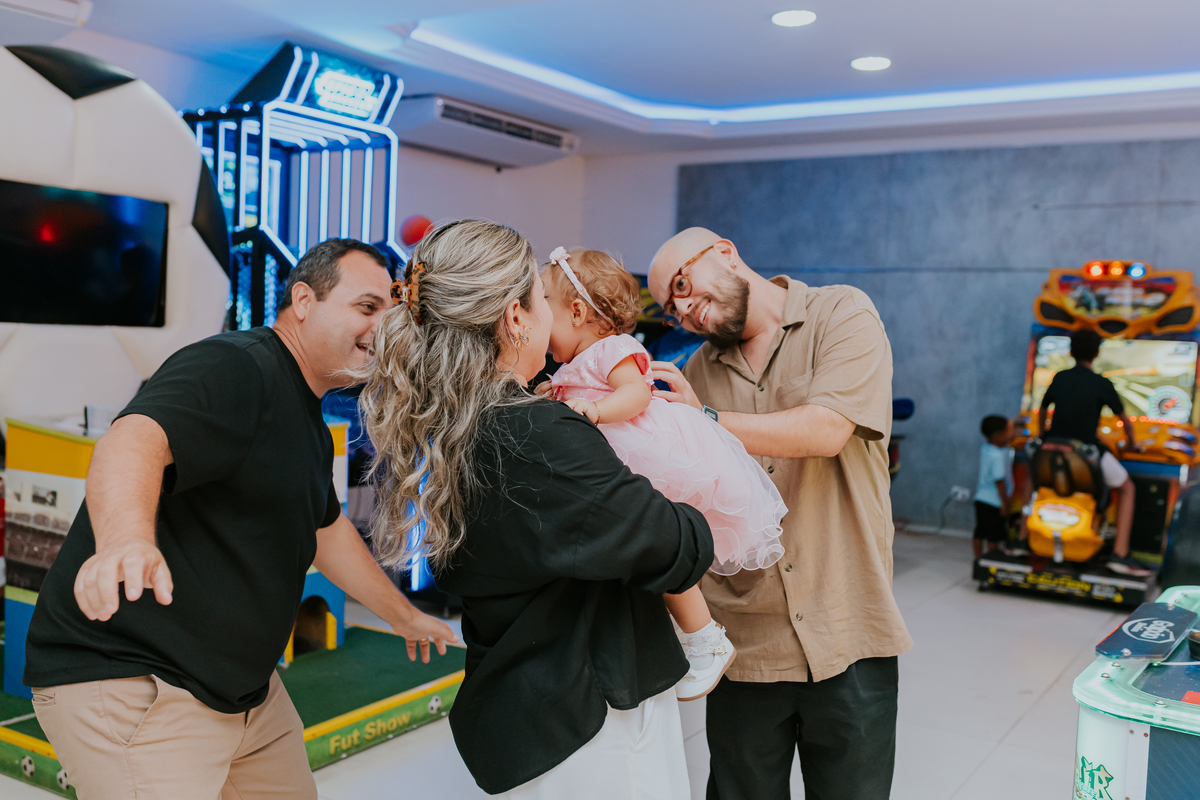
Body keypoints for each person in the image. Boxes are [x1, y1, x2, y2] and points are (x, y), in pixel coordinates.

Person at [23, 239, 457, 800]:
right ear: (303, 300)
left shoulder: (306, 411)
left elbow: (325, 532)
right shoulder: (238, 366)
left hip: (244, 693)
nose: (383, 327)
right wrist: (125, 541)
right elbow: (134, 439)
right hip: (137, 680)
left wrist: (404, 616)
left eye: (389, 314)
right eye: (367, 307)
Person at [357, 221, 714, 799]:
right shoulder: (537, 432)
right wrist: (687, 478)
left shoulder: (452, 424)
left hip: (521, 706)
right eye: (542, 299)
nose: (551, 313)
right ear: (515, 319)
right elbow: (677, 546)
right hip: (589, 722)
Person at [648, 227, 912, 800]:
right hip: (746, 641)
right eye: (674, 309)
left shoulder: (839, 313)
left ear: (724, 251)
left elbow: (827, 429)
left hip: (849, 626)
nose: (687, 311)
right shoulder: (696, 372)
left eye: (684, 287)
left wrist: (706, 421)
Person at [536, 246, 785, 701]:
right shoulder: (573, 365)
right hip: (613, 460)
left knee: (658, 546)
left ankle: (706, 637)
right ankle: (686, 634)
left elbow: (634, 395)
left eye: (542, 308)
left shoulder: (615, 349)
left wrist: (593, 409)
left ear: (575, 312)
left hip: (645, 454)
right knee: (644, 552)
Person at [1037, 328, 1148, 577]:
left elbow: (1043, 410)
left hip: (1051, 448)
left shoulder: (1060, 377)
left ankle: (1023, 539)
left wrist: (1042, 434)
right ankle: (1119, 554)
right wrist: (1132, 445)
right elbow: (1127, 423)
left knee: (1034, 481)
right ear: (1096, 354)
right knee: (1127, 487)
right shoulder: (1102, 383)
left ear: (1070, 351)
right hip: (1083, 453)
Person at [974, 415, 1015, 558]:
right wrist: (1005, 503)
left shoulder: (986, 449)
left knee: (980, 532)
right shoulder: (998, 456)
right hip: (995, 502)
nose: (1011, 435)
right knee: (994, 536)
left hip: (981, 499)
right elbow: (1000, 481)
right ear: (998, 436)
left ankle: (978, 560)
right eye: (1008, 431)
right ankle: (992, 561)